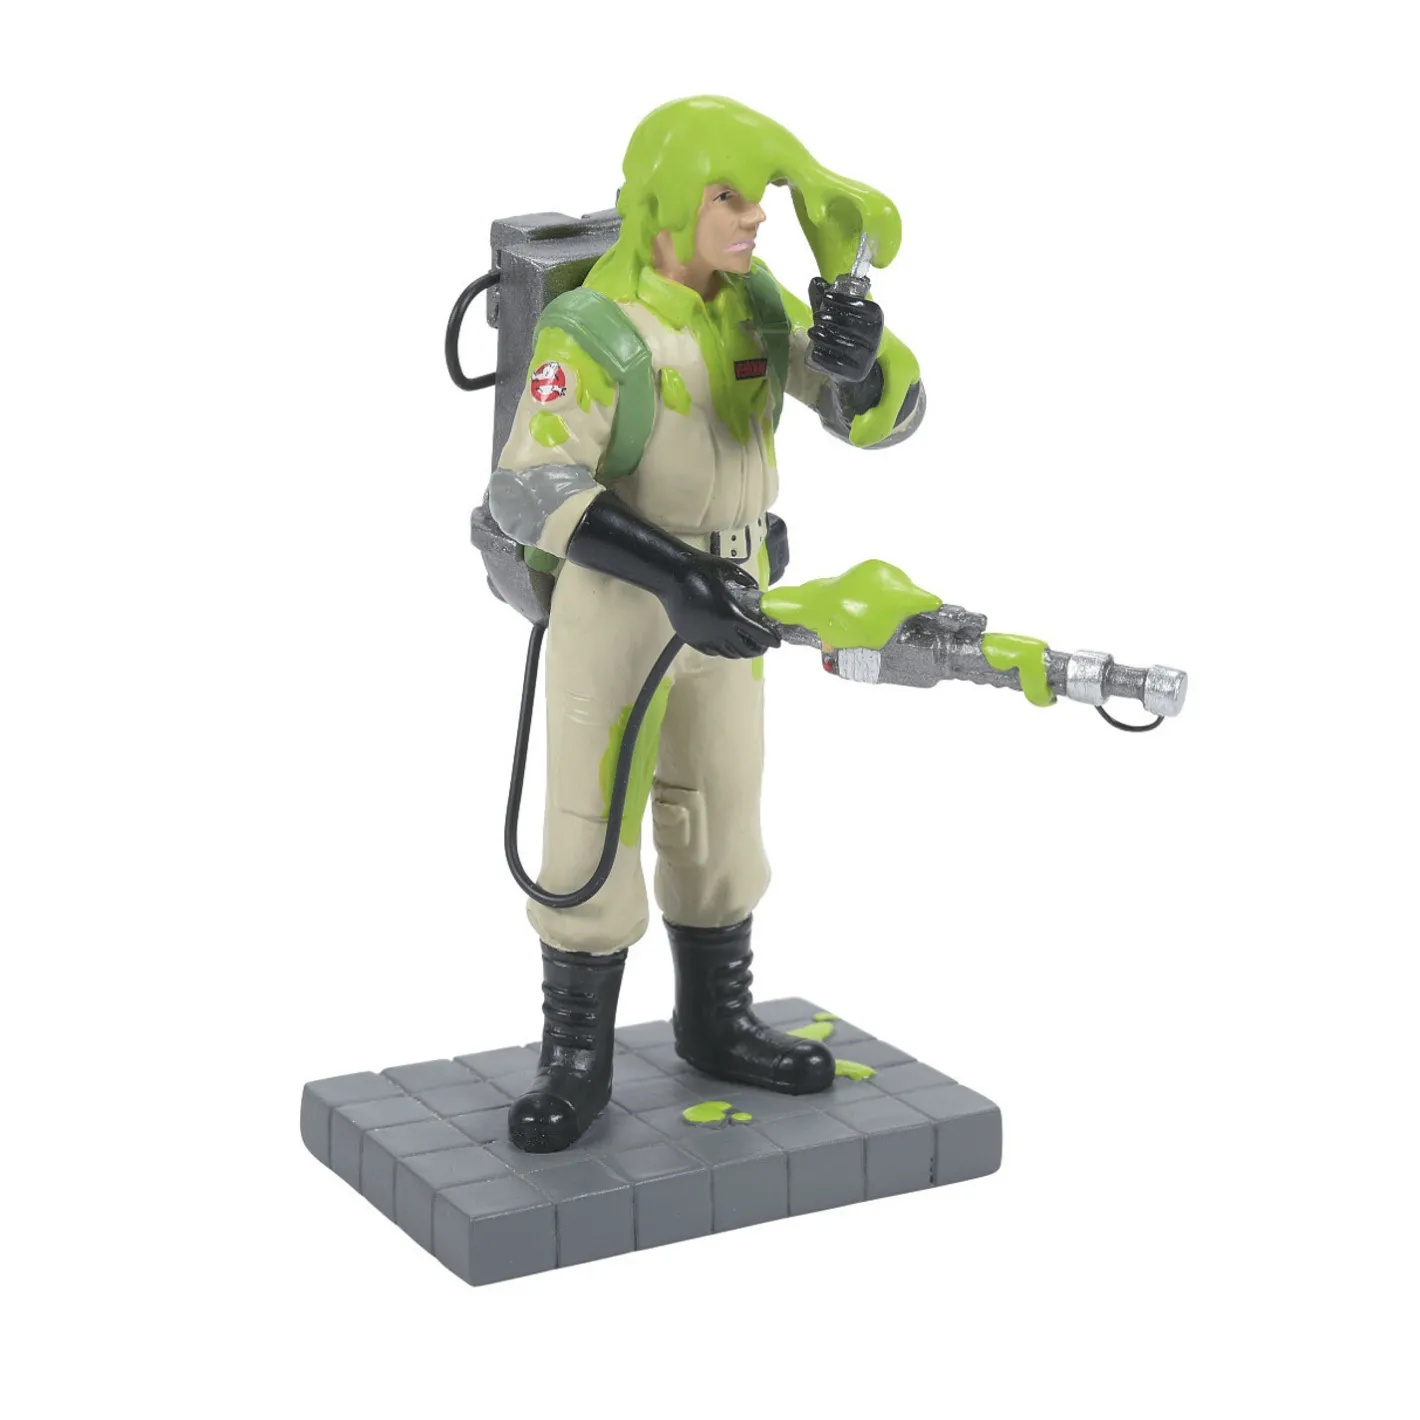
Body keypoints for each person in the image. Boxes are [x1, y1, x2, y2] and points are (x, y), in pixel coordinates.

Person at [488, 95, 925, 1152]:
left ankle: (717, 1019)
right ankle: (575, 1055)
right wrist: (673, 573)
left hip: (734, 604)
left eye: (759, 195)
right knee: (589, 824)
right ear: (668, 203)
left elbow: (876, 420)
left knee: (722, 809)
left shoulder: (753, 306)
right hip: (619, 602)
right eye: (729, 195)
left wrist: (862, 363)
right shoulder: (595, 328)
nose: (756, 216)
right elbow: (529, 487)